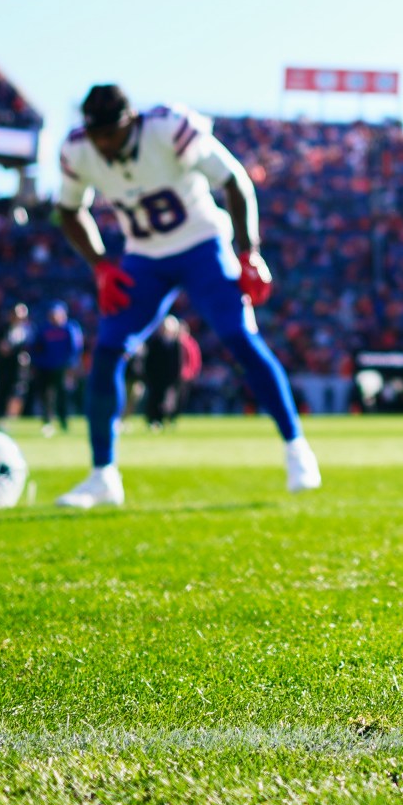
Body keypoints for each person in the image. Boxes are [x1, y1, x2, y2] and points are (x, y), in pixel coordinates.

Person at [47, 85, 318, 506]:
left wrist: (250, 254)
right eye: (96, 133)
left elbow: (235, 181)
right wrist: (100, 263)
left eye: (111, 133)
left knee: (239, 337)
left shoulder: (167, 127)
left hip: (202, 245)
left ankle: (296, 448)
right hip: (144, 258)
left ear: (130, 121)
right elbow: (68, 209)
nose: (104, 143)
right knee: (107, 350)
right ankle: (103, 475)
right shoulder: (78, 149)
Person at [141, 314, 198, 429]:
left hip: (171, 377)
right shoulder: (155, 342)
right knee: (155, 398)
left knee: (172, 400)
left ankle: (168, 419)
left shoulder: (176, 344)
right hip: (156, 376)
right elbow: (149, 361)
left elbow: (180, 361)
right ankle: (154, 420)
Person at [30, 303, 80, 433]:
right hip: (45, 367)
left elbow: (75, 349)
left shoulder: (70, 328)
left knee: (62, 395)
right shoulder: (44, 329)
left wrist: (71, 367)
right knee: (45, 395)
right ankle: (47, 421)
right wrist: (36, 362)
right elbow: (35, 347)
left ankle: (64, 422)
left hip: (62, 368)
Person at [0, 304, 32, 423]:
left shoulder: (28, 330)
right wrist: (0, 347)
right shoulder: (3, 329)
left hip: (20, 369)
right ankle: (0, 418)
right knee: (2, 392)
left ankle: (11, 418)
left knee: (18, 393)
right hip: (4, 367)